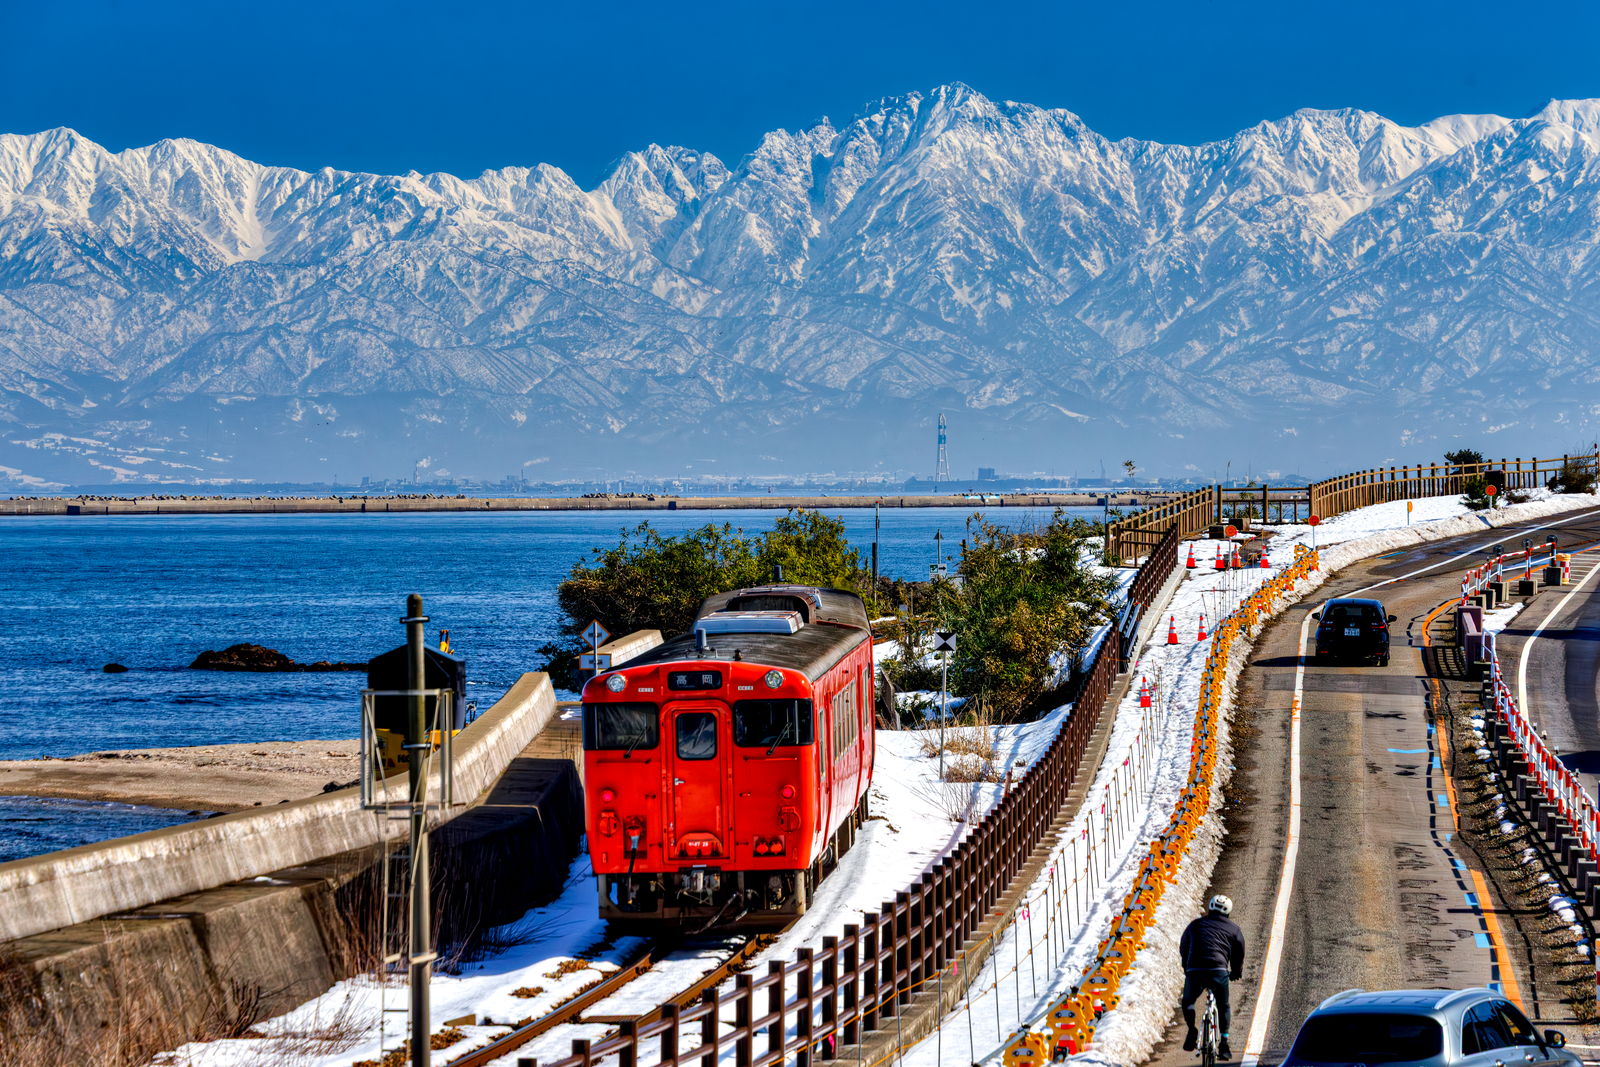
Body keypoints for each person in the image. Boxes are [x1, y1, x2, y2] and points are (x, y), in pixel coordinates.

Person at [1180, 894, 1244, 1060]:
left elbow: (1184, 946)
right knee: (1223, 1005)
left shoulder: (1195, 925)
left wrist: (1187, 967)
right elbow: (1239, 953)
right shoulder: (1234, 929)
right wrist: (1236, 971)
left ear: (1210, 907)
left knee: (1188, 1001)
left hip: (1195, 969)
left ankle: (1192, 1029)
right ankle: (1224, 1043)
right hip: (1218, 970)